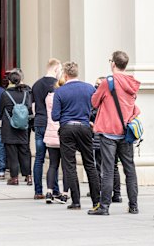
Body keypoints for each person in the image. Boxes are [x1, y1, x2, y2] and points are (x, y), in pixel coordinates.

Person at [88, 51, 140, 216]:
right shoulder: (132, 82)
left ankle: (104, 207)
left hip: (109, 131)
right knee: (129, 169)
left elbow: (94, 102)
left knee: (108, 169)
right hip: (126, 132)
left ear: (113, 64)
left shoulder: (108, 82)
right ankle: (133, 206)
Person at [52, 61, 100, 210]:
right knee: (89, 164)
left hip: (67, 128)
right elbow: (96, 107)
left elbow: (54, 116)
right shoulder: (89, 88)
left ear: (65, 75)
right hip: (85, 127)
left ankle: (76, 201)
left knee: (69, 165)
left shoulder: (60, 91)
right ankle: (96, 201)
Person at [32, 58, 63, 199]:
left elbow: (33, 106)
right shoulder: (56, 85)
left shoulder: (37, 84)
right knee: (54, 159)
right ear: (56, 69)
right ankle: (54, 189)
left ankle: (38, 191)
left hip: (39, 122)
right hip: (51, 124)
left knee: (39, 158)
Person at [89, 76, 122, 203]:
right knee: (109, 166)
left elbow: (92, 112)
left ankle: (112, 192)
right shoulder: (111, 98)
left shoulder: (100, 99)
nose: (97, 86)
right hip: (103, 135)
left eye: (99, 84)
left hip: (101, 134)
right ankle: (114, 192)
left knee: (107, 166)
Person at [0, 72, 32, 185]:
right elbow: (29, 108)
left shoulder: (5, 94)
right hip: (23, 127)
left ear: (9, 81)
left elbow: (0, 109)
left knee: (12, 154)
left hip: (9, 128)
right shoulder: (25, 93)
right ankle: (28, 176)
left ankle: (14, 178)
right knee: (25, 152)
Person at [44, 76, 70, 204]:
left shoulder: (48, 97)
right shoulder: (65, 97)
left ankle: (49, 192)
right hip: (64, 132)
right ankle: (65, 194)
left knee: (53, 165)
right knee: (66, 166)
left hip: (50, 132)